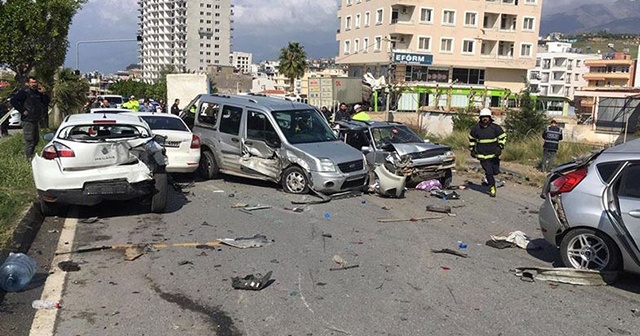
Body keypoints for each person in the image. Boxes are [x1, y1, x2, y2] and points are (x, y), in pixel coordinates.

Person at [468, 108, 506, 197]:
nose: (485, 119)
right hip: (482, 155)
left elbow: (503, 137)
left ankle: (488, 179)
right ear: (480, 118)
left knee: (495, 171)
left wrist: (500, 147)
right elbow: (472, 139)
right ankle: (492, 187)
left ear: (490, 117)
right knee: (488, 172)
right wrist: (472, 149)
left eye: (486, 117)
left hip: (494, 154)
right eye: (483, 117)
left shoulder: (495, 128)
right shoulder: (476, 129)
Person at [10, 76, 50, 159]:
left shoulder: (38, 93)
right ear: (28, 83)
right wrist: (22, 110)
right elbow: (13, 101)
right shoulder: (24, 92)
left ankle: (31, 154)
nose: (34, 84)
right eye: (32, 82)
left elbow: (46, 102)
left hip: (35, 119)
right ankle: (28, 158)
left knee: (36, 140)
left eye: (35, 82)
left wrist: (44, 93)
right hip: (27, 120)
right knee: (30, 140)